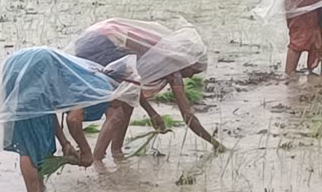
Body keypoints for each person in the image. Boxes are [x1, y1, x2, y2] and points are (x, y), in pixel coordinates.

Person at [0, 46, 141, 192]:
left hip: (24, 63)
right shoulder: (101, 90)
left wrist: (65, 143)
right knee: (31, 144)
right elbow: (73, 119)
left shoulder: (97, 80)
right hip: (36, 66)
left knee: (38, 134)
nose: (123, 106)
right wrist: (85, 151)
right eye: (127, 99)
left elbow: (49, 107)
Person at [65, 17, 225, 167]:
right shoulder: (169, 65)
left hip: (97, 38)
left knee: (127, 103)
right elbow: (188, 116)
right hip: (101, 44)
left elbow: (132, 84)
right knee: (116, 113)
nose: (190, 76)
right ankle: (98, 161)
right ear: (187, 61)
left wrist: (152, 114)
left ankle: (116, 152)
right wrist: (215, 143)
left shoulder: (166, 62)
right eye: (193, 71)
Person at [284, 0, 322, 76]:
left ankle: (289, 75)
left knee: (314, 35)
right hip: (304, 3)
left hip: (307, 3)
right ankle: (289, 75)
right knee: (299, 37)